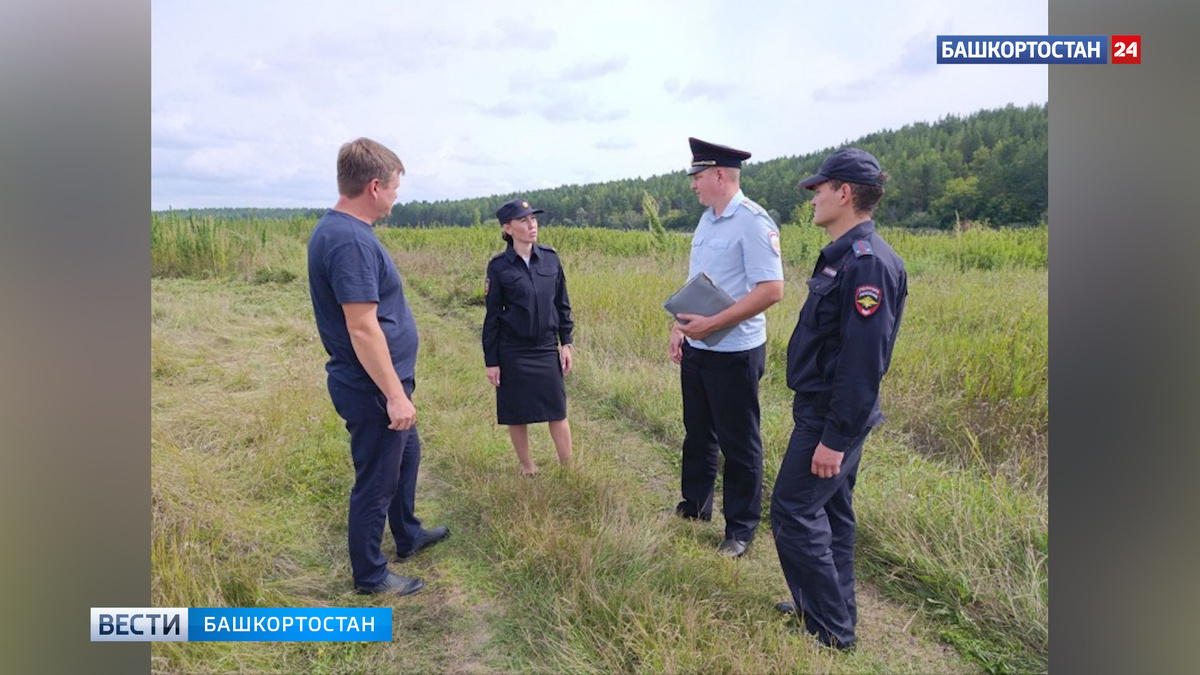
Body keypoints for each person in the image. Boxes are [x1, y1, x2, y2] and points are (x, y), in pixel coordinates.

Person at [770, 148, 907, 649]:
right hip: (825, 410)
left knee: (791, 509)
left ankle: (830, 629)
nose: (813, 199)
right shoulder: (847, 256)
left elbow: (862, 362)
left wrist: (834, 437)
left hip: (833, 417)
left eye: (819, 190)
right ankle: (828, 608)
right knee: (831, 513)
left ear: (844, 193)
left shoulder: (867, 265)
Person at [307, 137, 449, 596]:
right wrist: (393, 394)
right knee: (377, 480)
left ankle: (407, 534)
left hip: (380, 381)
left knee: (407, 457)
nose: (395, 196)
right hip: (371, 386)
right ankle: (370, 575)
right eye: (394, 188)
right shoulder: (348, 240)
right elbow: (363, 327)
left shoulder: (345, 232)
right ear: (373, 186)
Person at [669, 137, 785, 558]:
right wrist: (679, 325)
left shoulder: (754, 222)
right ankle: (695, 506)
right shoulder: (707, 220)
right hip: (699, 345)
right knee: (698, 432)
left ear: (720, 175)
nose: (693, 185)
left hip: (735, 350)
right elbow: (699, 279)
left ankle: (740, 529)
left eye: (698, 177)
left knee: (739, 442)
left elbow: (772, 290)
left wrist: (713, 323)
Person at [482, 198, 575, 476]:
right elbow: (492, 317)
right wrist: (492, 360)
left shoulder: (551, 258)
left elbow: (562, 304)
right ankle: (527, 467)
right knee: (516, 412)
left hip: (545, 348)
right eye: (523, 220)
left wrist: (566, 342)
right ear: (508, 228)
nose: (532, 225)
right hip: (513, 350)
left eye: (533, 219)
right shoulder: (499, 267)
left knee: (557, 410)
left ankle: (568, 468)